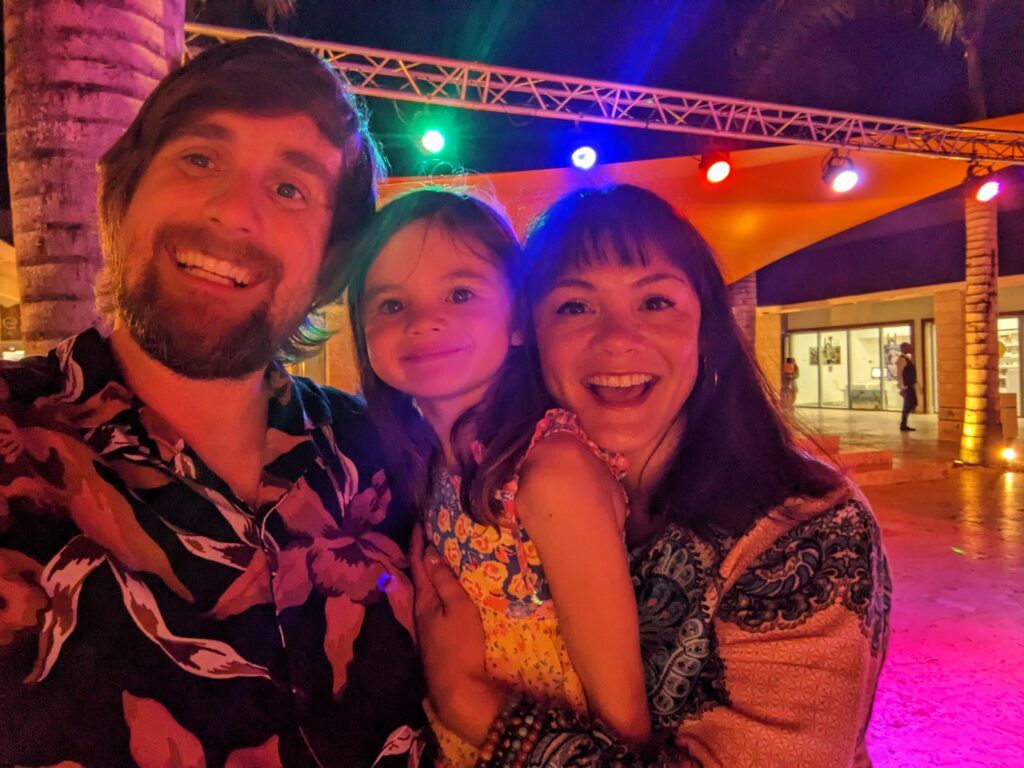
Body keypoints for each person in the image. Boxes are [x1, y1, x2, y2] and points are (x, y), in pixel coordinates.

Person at [0, 38, 425, 767]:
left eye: (290, 189)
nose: (233, 212)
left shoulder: (389, 452)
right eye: (199, 159)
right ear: (123, 196)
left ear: (329, 264)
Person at [411, 185, 892, 767]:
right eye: (574, 306)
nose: (617, 338)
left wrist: (468, 700)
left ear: (706, 331)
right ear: (529, 336)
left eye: (656, 302)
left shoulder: (806, 530)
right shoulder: (494, 496)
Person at [346, 189, 650, 766]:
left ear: (517, 323)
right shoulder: (431, 461)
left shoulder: (549, 471)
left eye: (460, 293)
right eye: (389, 304)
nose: (424, 321)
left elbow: (624, 724)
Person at [897, 342, 918, 432]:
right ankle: (903, 424)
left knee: (911, 403)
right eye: (909, 347)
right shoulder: (902, 359)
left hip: (909, 385)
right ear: (903, 349)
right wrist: (902, 386)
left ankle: (904, 423)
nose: (911, 349)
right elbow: (899, 373)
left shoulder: (907, 358)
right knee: (908, 405)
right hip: (906, 385)